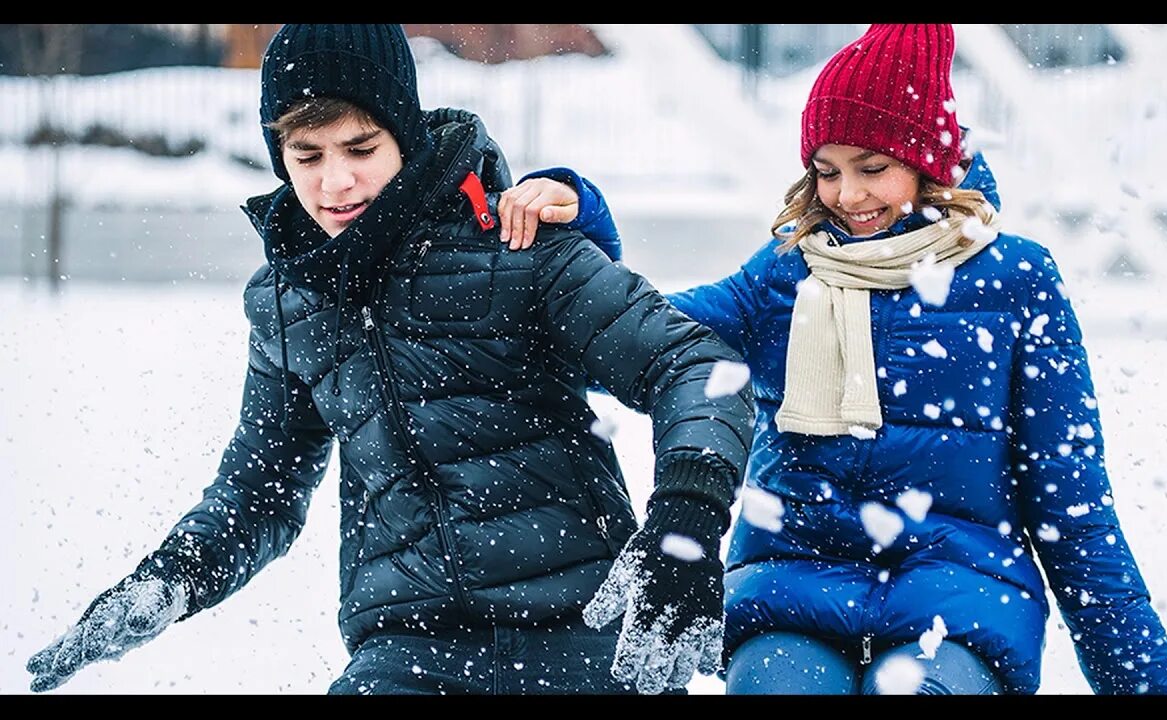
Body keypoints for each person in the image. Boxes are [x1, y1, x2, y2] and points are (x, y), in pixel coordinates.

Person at [25, 23, 754, 696]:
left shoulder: (517, 246)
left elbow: (695, 367)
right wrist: (170, 578)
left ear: (403, 133)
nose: (333, 182)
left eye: (359, 149)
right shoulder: (289, 303)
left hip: (582, 629)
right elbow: (262, 490)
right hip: (409, 647)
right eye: (306, 157)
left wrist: (683, 521)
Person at [499, 23, 1167, 695]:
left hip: (958, 604)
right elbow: (630, 347)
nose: (848, 196)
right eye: (827, 171)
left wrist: (1143, 680)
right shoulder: (783, 279)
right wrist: (581, 218)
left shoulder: (1014, 283)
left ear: (929, 164)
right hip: (792, 591)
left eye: (874, 167)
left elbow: (1071, 508)